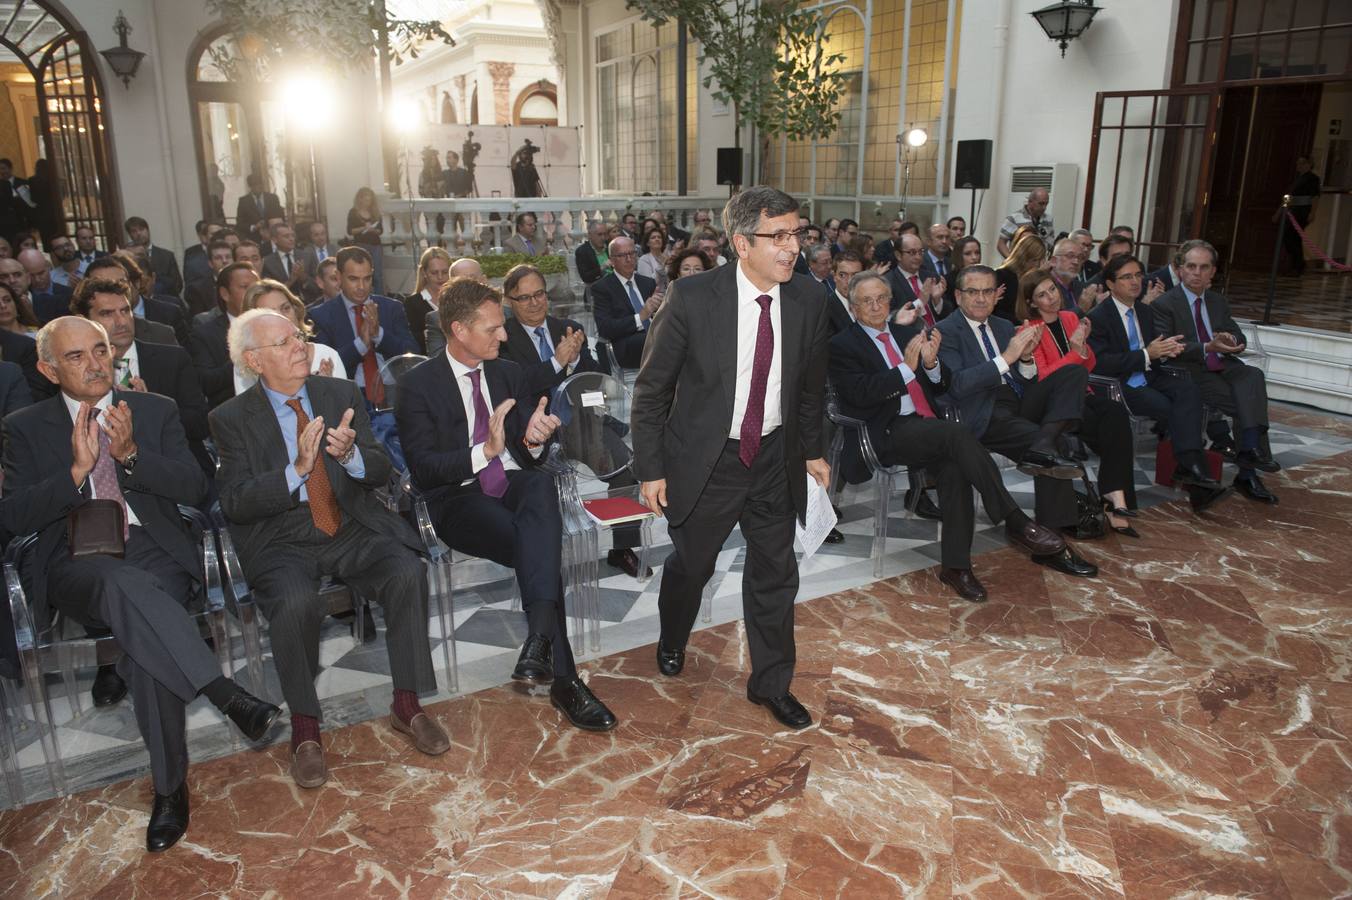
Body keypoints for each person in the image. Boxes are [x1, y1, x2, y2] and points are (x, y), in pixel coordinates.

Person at [1, 316, 280, 851]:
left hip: (156, 551)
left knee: (142, 644)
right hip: (77, 561)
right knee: (119, 584)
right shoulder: (26, 425)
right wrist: (76, 473)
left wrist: (132, 457)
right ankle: (223, 693)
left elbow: (197, 488)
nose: (94, 363)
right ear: (47, 368)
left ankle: (169, 790)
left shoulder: (153, 410)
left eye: (100, 350)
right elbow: (11, 516)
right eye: (76, 356)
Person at [212, 309, 447, 787]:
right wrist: (295, 470)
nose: (300, 346)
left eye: (298, 336)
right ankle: (305, 728)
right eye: (284, 343)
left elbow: (382, 470)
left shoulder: (337, 393)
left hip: (347, 523)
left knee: (406, 571)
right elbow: (235, 501)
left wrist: (352, 456)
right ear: (255, 360)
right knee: (295, 602)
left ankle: (407, 703)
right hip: (282, 537)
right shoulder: (230, 419)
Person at [631, 186, 831, 730]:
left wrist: (812, 451)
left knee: (775, 572)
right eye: (780, 237)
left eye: (799, 234)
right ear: (743, 243)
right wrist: (651, 469)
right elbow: (651, 392)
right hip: (708, 460)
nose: (794, 248)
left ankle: (771, 683)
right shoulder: (694, 298)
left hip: (774, 456)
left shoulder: (810, 300)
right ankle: (674, 634)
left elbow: (811, 389)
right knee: (692, 566)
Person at [396, 277, 618, 731]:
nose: (503, 335)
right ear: (459, 330)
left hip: (515, 487)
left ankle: (539, 641)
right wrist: (486, 452)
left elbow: (523, 446)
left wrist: (533, 441)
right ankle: (564, 678)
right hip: (456, 499)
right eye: (494, 328)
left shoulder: (508, 374)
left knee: (539, 489)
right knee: (538, 545)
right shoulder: (418, 385)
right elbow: (423, 470)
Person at [829, 272, 1068, 600]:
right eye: (865, 301)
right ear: (854, 307)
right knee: (956, 435)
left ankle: (956, 567)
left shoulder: (906, 332)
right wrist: (905, 369)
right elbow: (859, 395)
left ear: (890, 301)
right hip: (885, 431)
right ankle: (1014, 519)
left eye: (881, 298)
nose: (874, 306)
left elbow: (942, 386)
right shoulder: (841, 345)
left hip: (927, 425)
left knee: (955, 467)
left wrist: (930, 366)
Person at [935, 265, 1099, 577]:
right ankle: (1052, 542)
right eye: (973, 292)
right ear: (957, 296)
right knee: (1057, 448)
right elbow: (955, 385)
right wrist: (1008, 357)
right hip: (982, 412)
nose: (981, 299)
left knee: (1075, 371)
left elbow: (1024, 382)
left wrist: (1025, 360)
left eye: (988, 291)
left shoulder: (1002, 325)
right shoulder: (946, 331)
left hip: (1017, 404)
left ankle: (1043, 441)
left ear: (997, 296)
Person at [496, 264, 649, 579]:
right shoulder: (503, 338)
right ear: (509, 301)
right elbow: (515, 385)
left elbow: (596, 378)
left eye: (539, 294)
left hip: (581, 426)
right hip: (532, 438)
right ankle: (543, 560)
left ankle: (622, 548)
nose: (534, 302)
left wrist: (577, 358)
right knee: (542, 495)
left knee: (626, 472)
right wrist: (556, 362)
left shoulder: (565, 327)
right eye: (523, 298)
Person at [1086, 253, 1226, 513]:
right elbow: (1101, 363)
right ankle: (1192, 469)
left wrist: (1166, 351)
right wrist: (1146, 355)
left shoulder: (1144, 311)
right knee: (1169, 406)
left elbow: (1154, 352)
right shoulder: (1099, 317)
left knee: (1189, 390)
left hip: (1149, 375)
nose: (1135, 282)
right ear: (1111, 284)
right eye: (1126, 277)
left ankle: (1191, 468)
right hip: (1119, 385)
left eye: (1138, 275)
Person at [1151, 239, 1279, 504]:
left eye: (1204, 267)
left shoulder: (1217, 301)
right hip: (1191, 371)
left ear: (1212, 272)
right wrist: (1207, 346)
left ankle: (1250, 450)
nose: (1197, 273)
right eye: (1191, 266)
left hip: (1225, 365)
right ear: (1180, 270)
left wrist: (1231, 340)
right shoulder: (1165, 304)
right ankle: (1248, 465)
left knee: (1253, 376)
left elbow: (1237, 334)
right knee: (1248, 402)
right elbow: (1167, 347)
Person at [1018, 268, 1140, 536]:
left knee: (1115, 413)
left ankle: (1115, 496)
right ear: (1031, 303)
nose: (1051, 297)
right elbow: (1043, 376)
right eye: (1042, 294)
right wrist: (1075, 353)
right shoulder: (1029, 329)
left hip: (1082, 397)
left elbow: (1091, 362)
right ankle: (1113, 501)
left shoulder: (1071, 317)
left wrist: (1082, 350)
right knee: (1106, 424)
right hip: (1051, 405)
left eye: (1052, 289)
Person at [73, 276, 214, 477]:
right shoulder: (76, 372)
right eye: (107, 313)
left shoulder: (172, 360)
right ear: (84, 320)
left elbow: (200, 424)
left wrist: (151, 407)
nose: (121, 321)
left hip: (175, 474)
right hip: (104, 477)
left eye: (125, 310)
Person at [236, 280, 346, 393]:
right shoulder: (248, 362)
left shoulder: (326, 356)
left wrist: (328, 392)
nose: (282, 317)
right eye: (270, 314)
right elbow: (249, 408)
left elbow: (345, 406)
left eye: (286, 308)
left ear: (296, 309)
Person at [193, 262, 259, 409]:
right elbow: (206, 382)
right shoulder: (206, 334)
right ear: (225, 294)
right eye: (244, 287)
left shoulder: (276, 324)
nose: (254, 293)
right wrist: (242, 357)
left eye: (257, 287)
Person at [592, 236, 660, 370]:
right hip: (623, 346)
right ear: (611, 260)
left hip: (653, 343)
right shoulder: (602, 288)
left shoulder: (647, 283)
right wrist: (640, 317)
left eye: (632, 253)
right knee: (657, 340)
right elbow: (605, 328)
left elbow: (655, 316)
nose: (629, 259)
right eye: (622, 255)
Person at [424, 257, 488, 356]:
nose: (468, 285)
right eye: (462, 280)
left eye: (473, 278)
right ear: (451, 284)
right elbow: (438, 358)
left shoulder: (503, 314)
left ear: (484, 280)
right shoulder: (437, 319)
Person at [993, 228, 1048, 322]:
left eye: (1040, 260)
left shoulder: (1033, 279)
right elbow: (995, 311)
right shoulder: (1002, 275)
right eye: (1034, 260)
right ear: (1023, 257)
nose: (1037, 265)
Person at [123, 217, 183, 298]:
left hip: (166, 302)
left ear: (148, 230)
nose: (138, 233)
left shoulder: (166, 256)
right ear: (130, 235)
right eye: (134, 231)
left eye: (141, 229)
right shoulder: (128, 258)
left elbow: (178, 285)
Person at [406, 247, 451, 355]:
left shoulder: (458, 300)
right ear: (424, 272)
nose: (440, 277)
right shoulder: (412, 304)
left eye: (445, 272)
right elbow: (413, 343)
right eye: (434, 273)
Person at [1281, 155, 1320, 276]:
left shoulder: (1313, 179)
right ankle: (1297, 264)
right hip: (1293, 209)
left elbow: (1315, 196)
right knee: (1289, 237)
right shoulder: (1296, 178)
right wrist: (1282, 210)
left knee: (1294, 237)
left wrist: (1312, 212)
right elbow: (1289, 196)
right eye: (1298, 164)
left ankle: (1298, 266)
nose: (1299, 166)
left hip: (1303, 211)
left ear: (1309, 164)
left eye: (1302, 163)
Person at [345, 188, 384, 293]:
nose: (367, 201)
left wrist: (373, 229)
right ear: (360, 199)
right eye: (365, 198)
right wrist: (364, 228)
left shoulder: (375, 213)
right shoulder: (353, 212)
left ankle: (380, 298)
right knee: (362, 272)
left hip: (375, 245)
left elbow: (380, 230)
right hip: (361, 245)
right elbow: (350, 231)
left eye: (369, 198)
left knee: (377, 274)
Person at [183, 238, 235, 316]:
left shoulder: (246, 283)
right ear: (210, 263)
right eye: (218, 258)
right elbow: (200, 321)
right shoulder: (197, 289)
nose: (224, 261)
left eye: (228, 257)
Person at [998, 188, 1054, 256]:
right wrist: (1011, 261)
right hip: (1020, 263)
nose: (1044, 207)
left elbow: (1050, 245)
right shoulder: (1014, 218)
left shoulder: (1048, 219)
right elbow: (1001, 244)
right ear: (1030, 202)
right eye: (1041, 204)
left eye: (1046, 204)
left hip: (1039, 263)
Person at [24, 245, 73, 322]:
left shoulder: (69, 293)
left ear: (49, 268)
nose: (37, 279)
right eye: (32, 276)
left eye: (41, 273)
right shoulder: (25, 299)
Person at [260, 222, 309, 298]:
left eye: (293, 235)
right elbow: (269, 292)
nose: (291, 239)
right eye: (286, 236)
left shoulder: (306, 256)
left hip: (308, 303)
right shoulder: (268, 262)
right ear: (274, 239)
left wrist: (303, 277)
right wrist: (291, 280)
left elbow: (318, 287)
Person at [234, 174, 284, 239]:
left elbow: (280, 217)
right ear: (250, 186)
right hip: (253, 237)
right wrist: (254, 227)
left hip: (273, 235)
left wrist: (268, 224)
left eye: (260, 184)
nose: (257, 187)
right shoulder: (243, 201)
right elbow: (240, 223)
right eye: (254, 185)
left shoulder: (273, 198)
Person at [575, 219, 611, 285]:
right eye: (599, 234)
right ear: (589, 235)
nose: (603, 238)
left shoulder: (610, 246)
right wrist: (602, 267)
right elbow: (585, 277)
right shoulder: (583, 251)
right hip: (596, 288)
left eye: (605, 234)